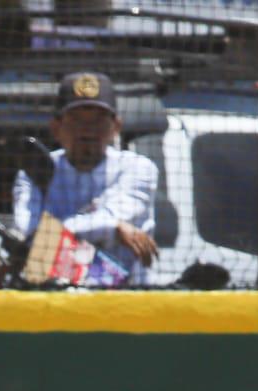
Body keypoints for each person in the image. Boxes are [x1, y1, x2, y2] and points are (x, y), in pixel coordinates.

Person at [12, 71, 159, 284]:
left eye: (99, 121)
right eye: (76, 120)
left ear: (116, 127)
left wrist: (54, 234)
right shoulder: (34, 170)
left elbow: (118, 214)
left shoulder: (137, 167)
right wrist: (113, 228)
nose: (88, 130)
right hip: (52, 301)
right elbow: (29, 233)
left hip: (127, 300)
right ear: (56, 128)